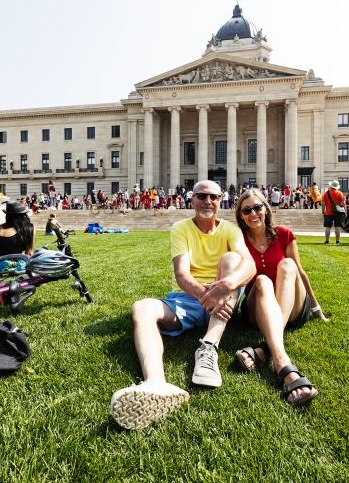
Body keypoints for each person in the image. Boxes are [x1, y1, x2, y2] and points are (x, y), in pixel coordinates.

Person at [109, 180, 256, 430]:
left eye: (213, 197)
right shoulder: (181, 228)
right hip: (193, 297)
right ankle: (156, 383)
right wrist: (206, 296)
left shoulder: (231, 230)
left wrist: (224, 286)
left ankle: (209, 346)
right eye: (201, 196)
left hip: (224, 294)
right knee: (142, 308)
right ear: (192, 199)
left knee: (232, 259)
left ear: (221, 200)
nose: (207, 202)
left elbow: (250, 266)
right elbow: (182, 274)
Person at [232, 188, 327, 406]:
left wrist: (316, 308)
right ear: (241, 216)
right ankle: (283, 365)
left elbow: (300, 273)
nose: (253, 213)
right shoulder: (239, 241)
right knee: (262, 280)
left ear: (266, 208)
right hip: (257, 309)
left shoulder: (283, 233)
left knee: (288, 264)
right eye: (247, 210)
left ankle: (266, 350)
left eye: (258, 207)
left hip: (291, 306)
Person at [0, 201, 35, 271]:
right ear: (24, 215)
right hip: (5, 263)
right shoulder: (28, 228)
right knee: (25, 263)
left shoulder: (0, 227)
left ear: (7, 216)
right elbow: (29, 253)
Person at [321, 180, 345, 244]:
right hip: (338, 212)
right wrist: (345, 212)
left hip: (328, 212)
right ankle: (337, 241)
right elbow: (343, 204)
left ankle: (327, 240)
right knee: (338, 227)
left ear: (331, 186)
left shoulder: (326, 193)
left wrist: (323, 211)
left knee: (328, 227)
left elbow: (323, 203)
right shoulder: (340, 193)